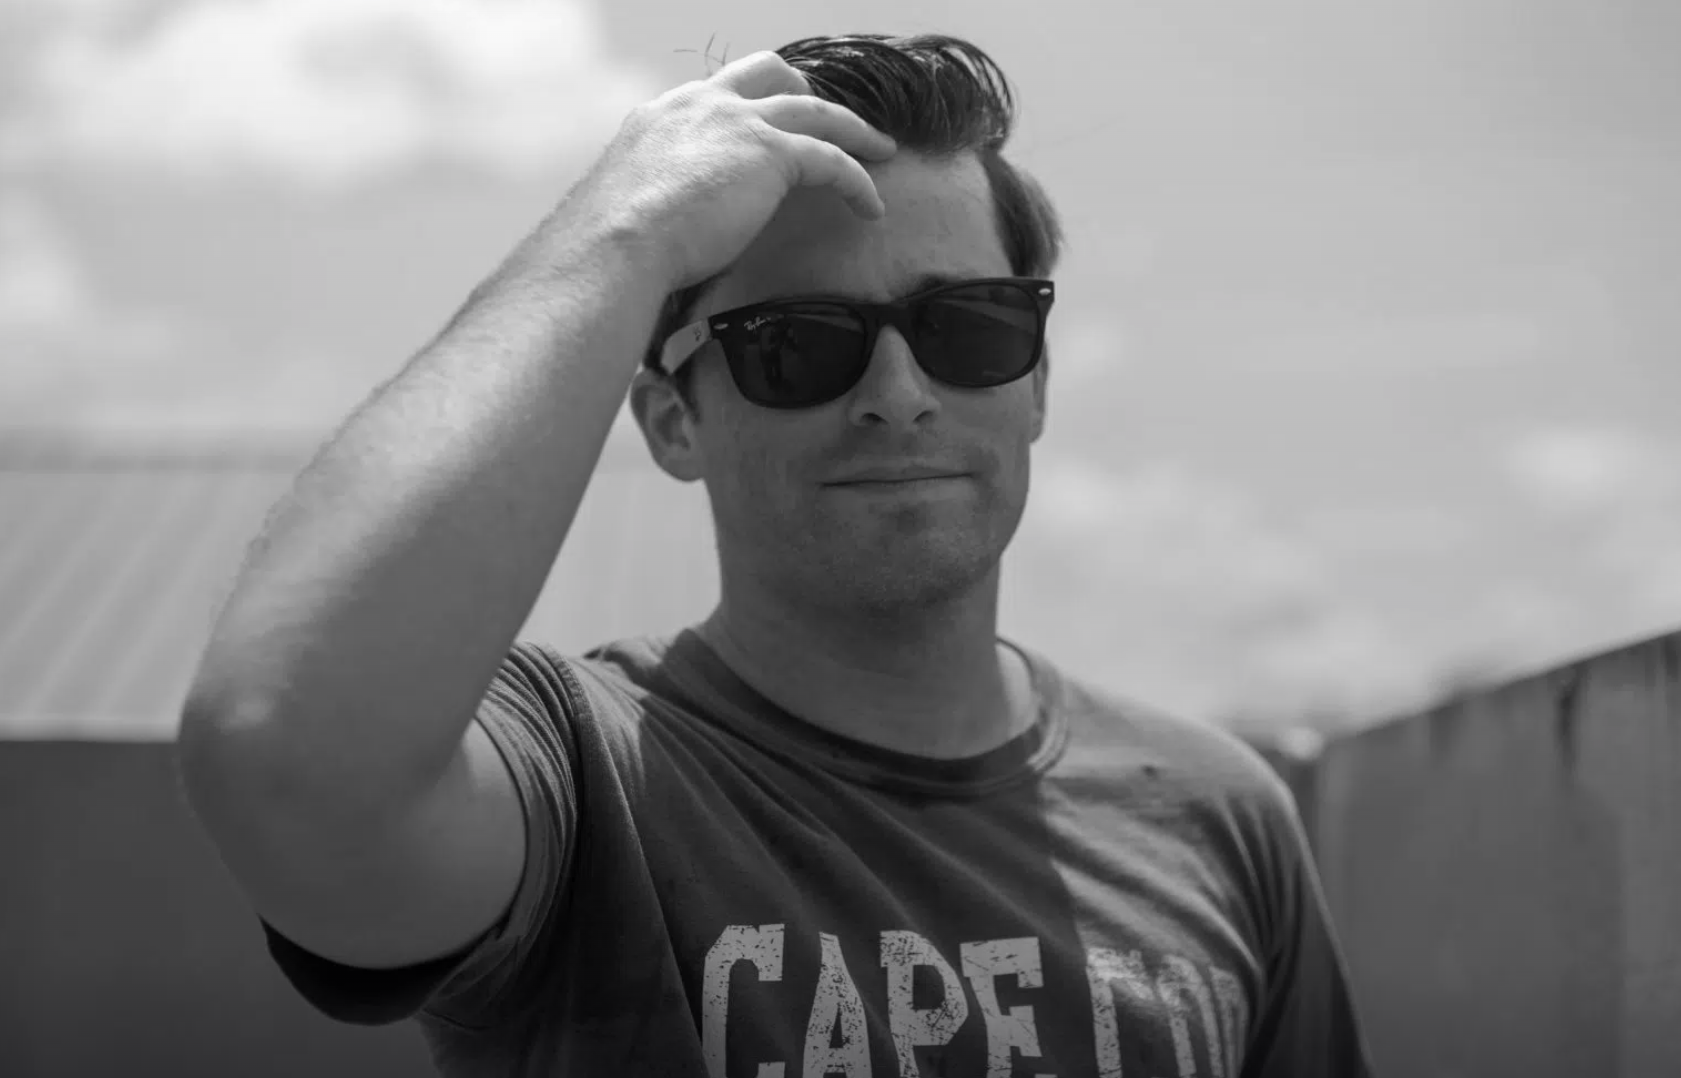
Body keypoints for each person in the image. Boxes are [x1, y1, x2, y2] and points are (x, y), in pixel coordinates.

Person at [176, 31, 1375, 1077]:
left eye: (970, 326)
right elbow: (287, 751)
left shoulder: (1219, 816)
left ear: (1038, 382)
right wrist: (628, 222)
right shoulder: (583, 778)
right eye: (796, 343)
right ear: (671, 421)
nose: (899, 393)